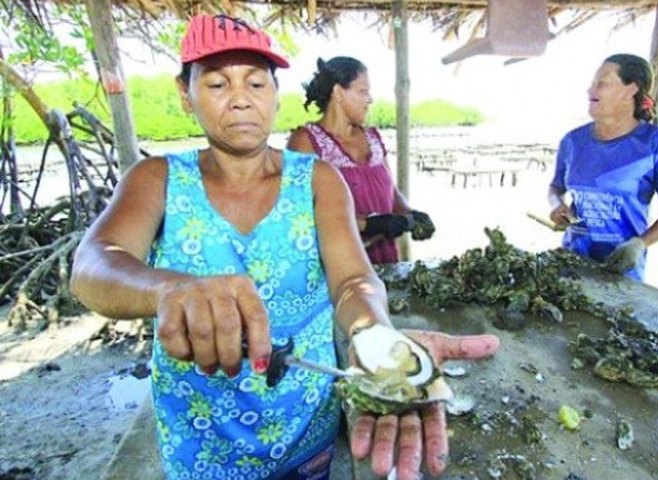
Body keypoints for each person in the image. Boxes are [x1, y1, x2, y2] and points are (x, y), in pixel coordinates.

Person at [69, 14, 499, 480]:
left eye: (256, 83)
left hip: (305, 429)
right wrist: (169, 290)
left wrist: (376, 337)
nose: (239, 100)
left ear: (275, 94)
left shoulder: (316, 179)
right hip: (201, 442)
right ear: (184, 94)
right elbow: (94, 264)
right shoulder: (156, 179)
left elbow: (354, 279)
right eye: (216, 84)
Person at [548, 53, 658, 281]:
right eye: (592, 84)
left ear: (631, 90)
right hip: (572, 267)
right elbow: (556, 187)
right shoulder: (573, 141)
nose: (591, 90)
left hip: (621, 274)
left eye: (602, 83)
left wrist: (639, 244)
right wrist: (557, 205)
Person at [286, 56, 434, 264]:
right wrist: (370, 225)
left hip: (385, 263)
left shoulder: (373, 139)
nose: (370, 99)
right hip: (338, 270)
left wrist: (411, 214)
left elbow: (391, 191)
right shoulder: (305, 142)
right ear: (338, 93)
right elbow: (300, 215)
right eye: (363, 91)